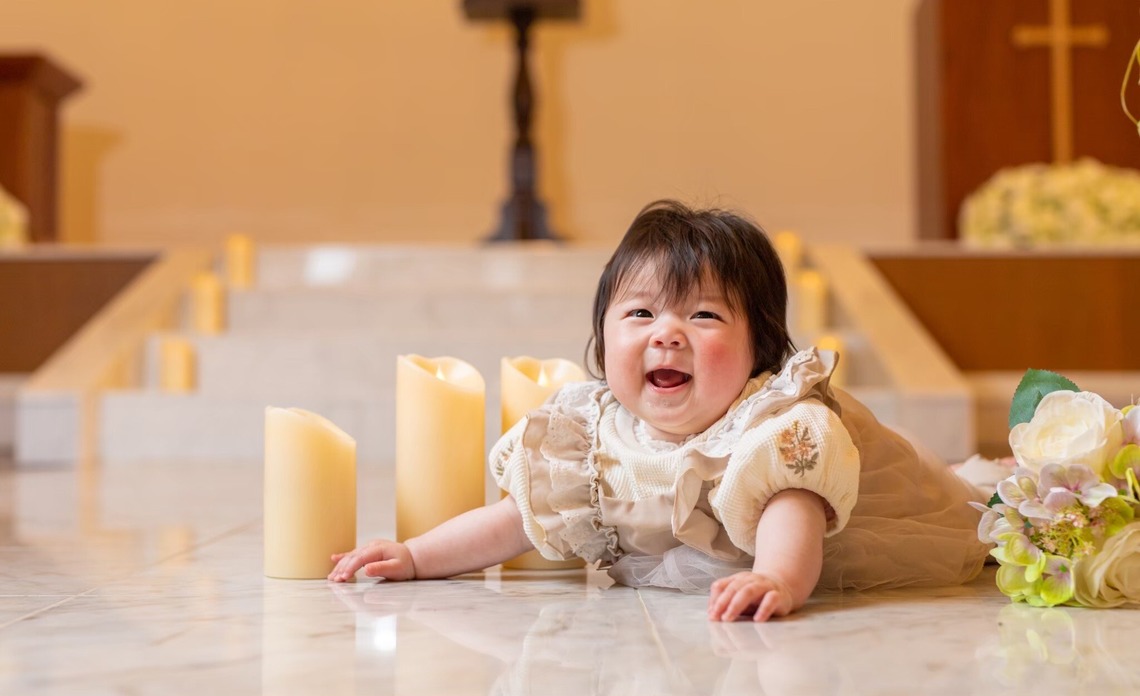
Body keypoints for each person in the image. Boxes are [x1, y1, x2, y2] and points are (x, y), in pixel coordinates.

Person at [329, 199, 989, 622]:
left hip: (884, 511)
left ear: (759, 347)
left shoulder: (776, 425)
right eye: (640, 313)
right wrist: (414, 555)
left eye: (704, 316)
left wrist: (777, 579)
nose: (666, 334)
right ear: (603, 338)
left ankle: (992, 486)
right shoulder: (591, 437)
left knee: (969, 503)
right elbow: (512, 522)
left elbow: (795, 512)